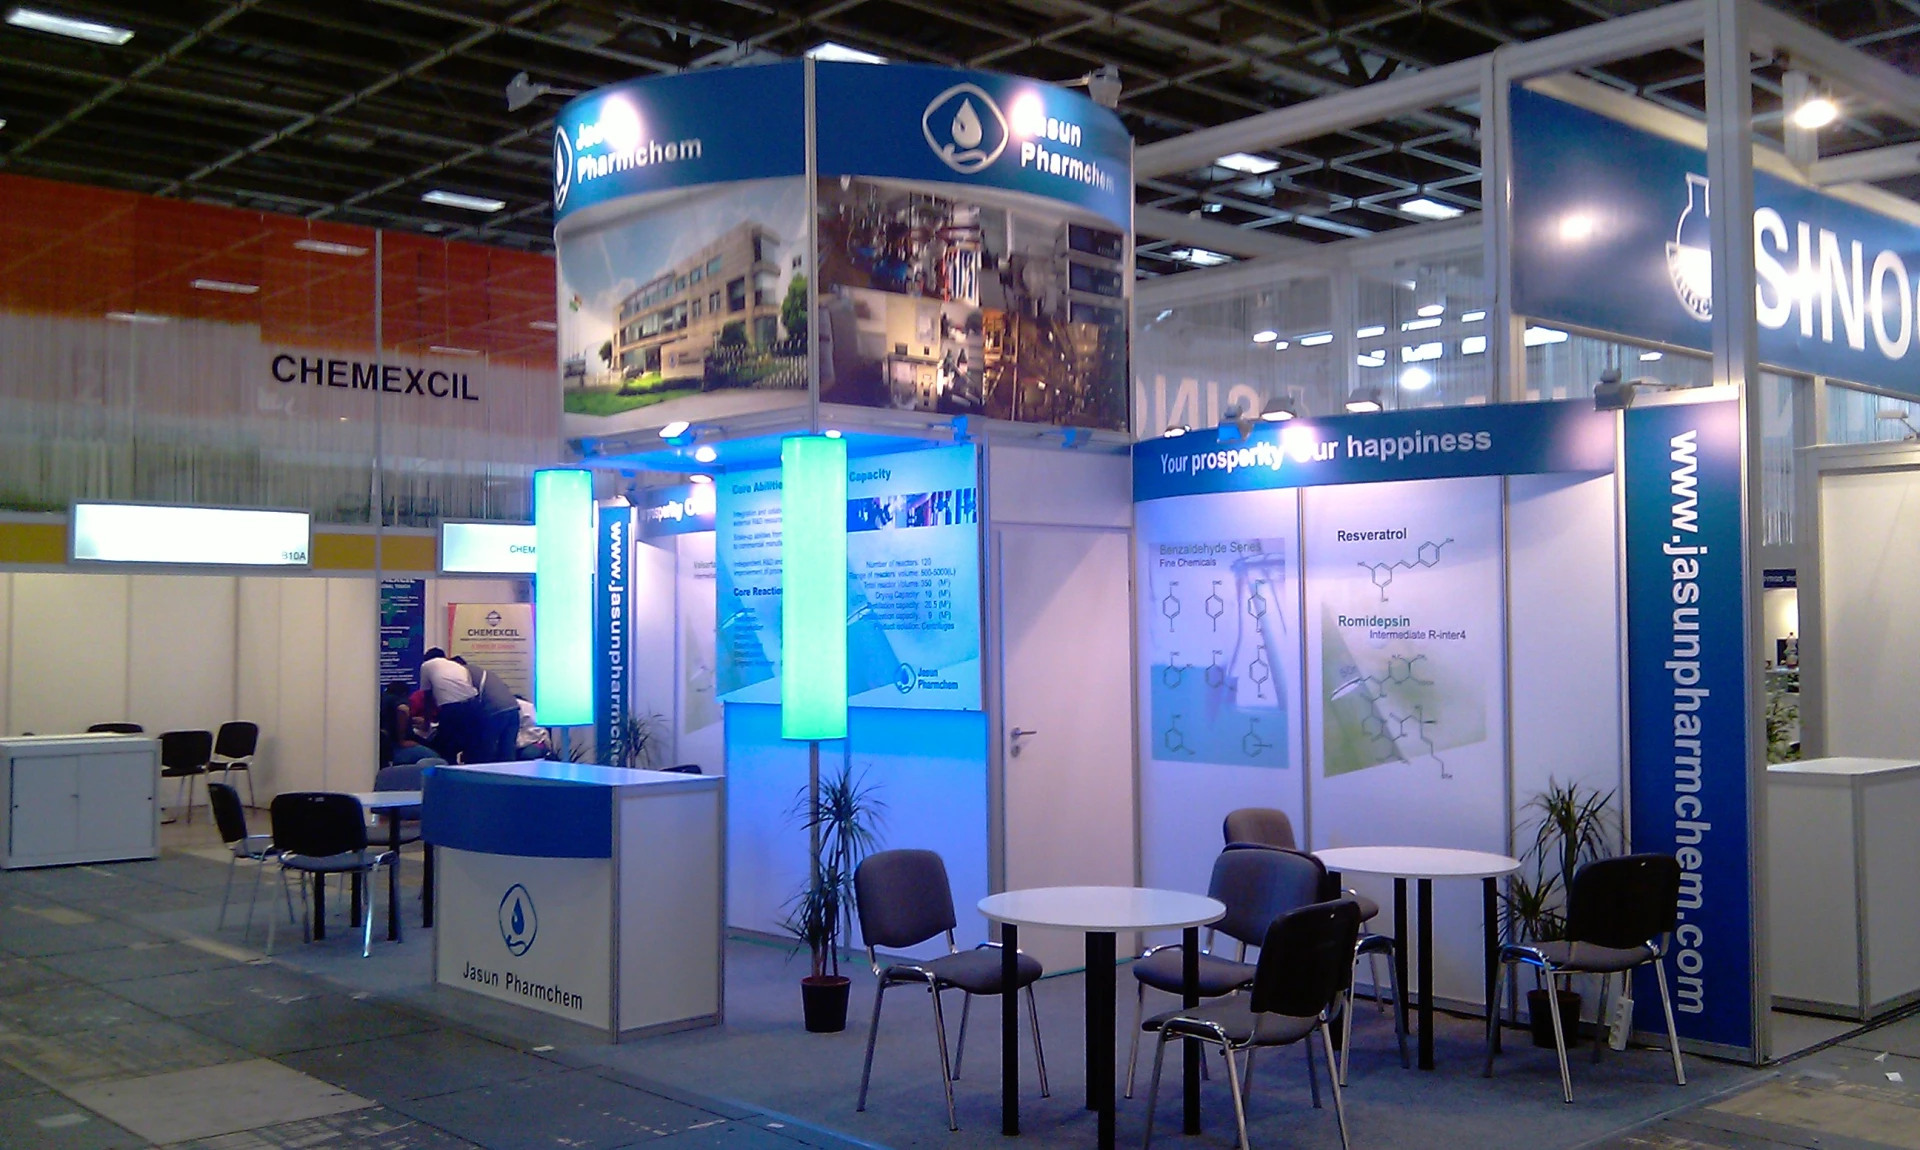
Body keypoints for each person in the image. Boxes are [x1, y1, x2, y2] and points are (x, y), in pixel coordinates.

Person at [419, 647, 480, 761]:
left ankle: (449, 769)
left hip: (452, 708)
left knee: (447, 747)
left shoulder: (426, 665)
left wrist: (426, 723)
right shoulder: (458, 666)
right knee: (469, 746)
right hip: (474, 705)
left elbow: (427, 697)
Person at [466, 659, 520, 763]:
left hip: (495, 711)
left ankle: (484, 773)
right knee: (508, 749)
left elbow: (470, 699)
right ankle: (509, 772)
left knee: (487, 749)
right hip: (513, 708)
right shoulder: (484, 672)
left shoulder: (464, 673)